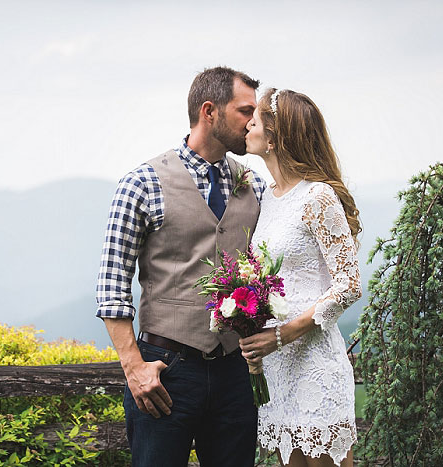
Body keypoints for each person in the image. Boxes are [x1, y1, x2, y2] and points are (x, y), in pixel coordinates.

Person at [96, 66, 267, 467]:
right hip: (165, 370)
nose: (254, 121)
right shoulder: (142, 183)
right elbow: (111, 284)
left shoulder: (255, 185)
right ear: (209, 111)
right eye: (245, 111)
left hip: (235, 371)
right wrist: (134, 368)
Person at [239, 88, 362, 467]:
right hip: (277, 369)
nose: (247, 125)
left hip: (312, 359)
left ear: (274, 138)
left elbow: (349, 284)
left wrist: (285, 333)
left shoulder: (319, 197)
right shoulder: (270, 197)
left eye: (255, 120)